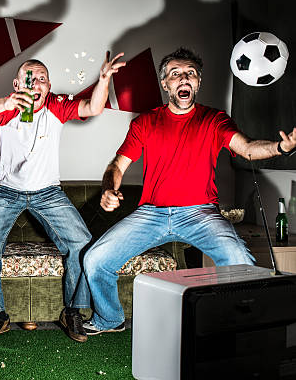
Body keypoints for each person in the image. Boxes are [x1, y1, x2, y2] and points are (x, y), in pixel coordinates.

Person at [82, 47, 296, 335]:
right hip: (151, 214)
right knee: (95, 260)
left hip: (201, 214)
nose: (183, 78)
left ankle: (243, 329)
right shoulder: (145, 123)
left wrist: (280, 147)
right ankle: (109, 319)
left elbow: (246, 148)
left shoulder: (214, 119)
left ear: (198, 83)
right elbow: (117, 166)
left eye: (190, 74)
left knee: (240, 263)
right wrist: (110, 189)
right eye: (175, 74)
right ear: (165, 83)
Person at [0, 53, 126, 343]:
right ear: (18, 84)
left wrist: (104, 78)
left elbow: (93, 107)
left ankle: (73, 311)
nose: (36, 83)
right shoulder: (9, 107)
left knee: (81, 243)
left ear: (48, 84)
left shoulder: (55, 105)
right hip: (6, 191)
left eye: (42, 78)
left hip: (48, 192)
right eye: (30, 78)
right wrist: (6, 103)